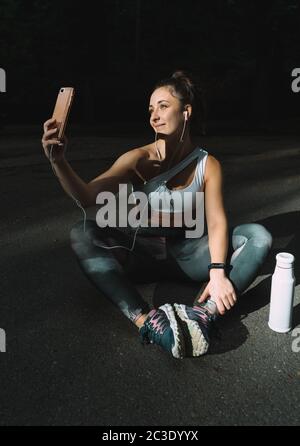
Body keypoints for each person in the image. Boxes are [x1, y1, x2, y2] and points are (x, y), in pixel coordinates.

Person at [41, 70, 272, 359]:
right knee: (82, 231)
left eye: (163, 106)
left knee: (258, 235)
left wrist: (218, 272)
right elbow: (87, 196)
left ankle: (205, 314)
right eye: (151, 108)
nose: (154, 115)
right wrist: (58, 162)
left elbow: (215, 220)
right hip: (141, 255)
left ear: (186, 111)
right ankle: (147, 321)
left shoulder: (208, 164)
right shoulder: (139, 158)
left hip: (187, 254)